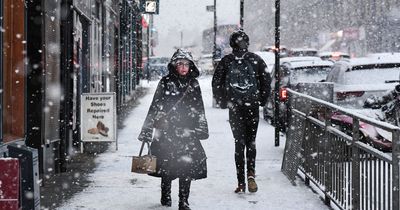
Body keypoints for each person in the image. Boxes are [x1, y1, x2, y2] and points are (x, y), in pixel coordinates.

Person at [138, 49, 209, 210]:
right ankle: (166, 194)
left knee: (186, 166)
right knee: (167, 166)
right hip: (167, 132)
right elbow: (155, 106)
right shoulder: (165, 82)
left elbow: (199, 107)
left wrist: (201, 126)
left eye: (186, 64)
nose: (184, 67)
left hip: (188, 132)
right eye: (180, 64)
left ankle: (184, 201)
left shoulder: (193, 84)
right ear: (174, 66)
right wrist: (147, 130)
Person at [212, 29, 271, 193]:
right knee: (251, 142)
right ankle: (251, 173)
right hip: (251, 106)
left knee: (239, 144)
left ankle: (240, 183)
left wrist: (223, 102)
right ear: (247, 43)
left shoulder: (226, 61)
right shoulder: (256, 59)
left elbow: (216, 82)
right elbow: (266, 80)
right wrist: (262, 100)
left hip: (235, 108)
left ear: (231, 44)